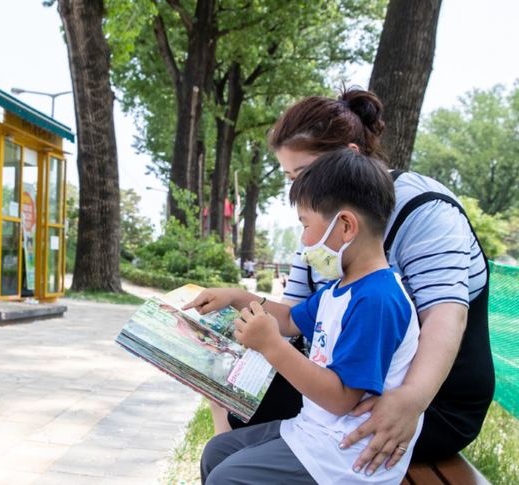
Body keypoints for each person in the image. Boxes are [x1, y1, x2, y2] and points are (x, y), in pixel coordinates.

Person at [185, 88, 494, 475]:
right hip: (346, 386)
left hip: (427, 398)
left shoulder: (424, 209)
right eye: (290, 179)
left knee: (240, 451)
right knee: (238, 398)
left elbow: (446, 317)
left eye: (303, 176)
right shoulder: (320, 224)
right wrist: (237, 307)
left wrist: (410, 400)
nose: (297, 192)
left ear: (348, 158)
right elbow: (296, 318)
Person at [201, 149, 421, 484]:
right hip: (314, 432)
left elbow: (340, 399)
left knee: (227, 478)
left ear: (345, 226)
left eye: (306, 225)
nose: (303, 241)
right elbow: (288, 320)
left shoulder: (377, 300)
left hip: (346, 457)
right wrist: (235, 297)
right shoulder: (339, 289)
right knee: (217, 453)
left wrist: (272, 346)